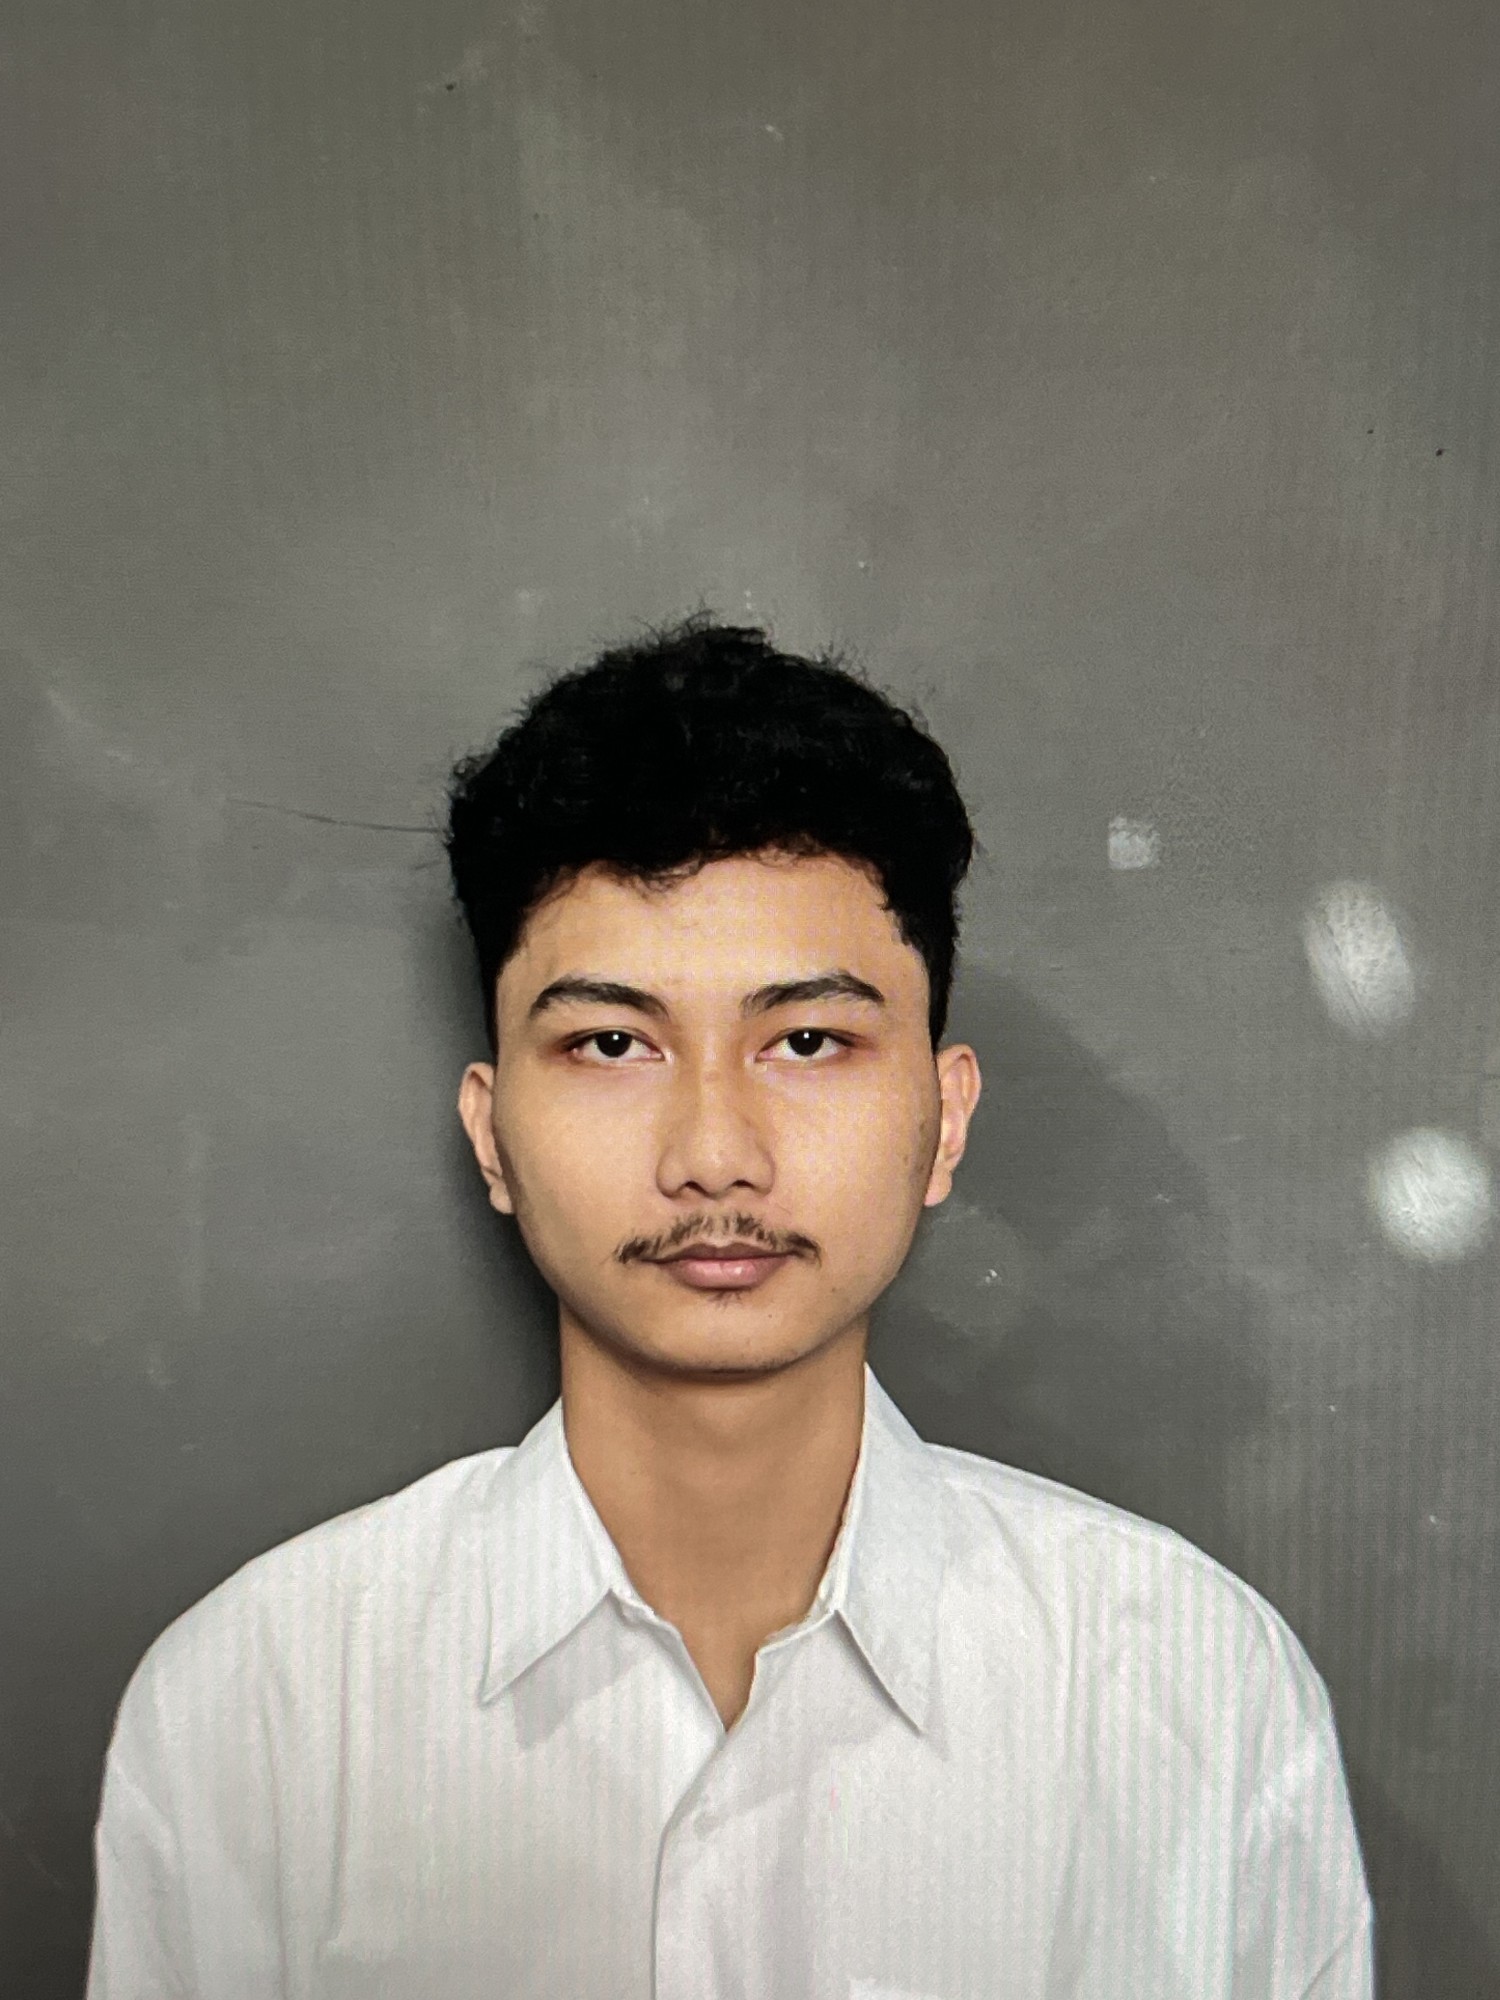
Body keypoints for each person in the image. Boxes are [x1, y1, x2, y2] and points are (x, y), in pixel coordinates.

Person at [86, 616, 1373, 1999]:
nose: (714, 1154)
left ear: (944, 1120)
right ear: (492, 1136)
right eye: (612, 1042)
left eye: (808, 1040)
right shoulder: (257, 1709)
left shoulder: (1200, 1699)